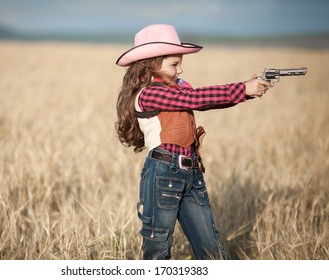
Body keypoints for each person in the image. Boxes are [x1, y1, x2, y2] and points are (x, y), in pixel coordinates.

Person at [115, 24, 273, 260]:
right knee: (158, 251)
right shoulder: (149, 93)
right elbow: (196, 99)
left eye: (180, 63)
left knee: (212, 251)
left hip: (192, 174)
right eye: (174, 64)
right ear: (151, 63)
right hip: (163, 174)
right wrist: (241, 88)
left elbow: (204, 99)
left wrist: (247, 92)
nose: (181, 69)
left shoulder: (179, 87)